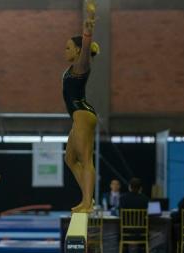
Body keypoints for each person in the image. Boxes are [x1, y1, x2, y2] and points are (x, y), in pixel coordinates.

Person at [63, 0, 100, 213]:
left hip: (83, 113)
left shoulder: (81, 65)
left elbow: (87, 45)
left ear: (78, 50)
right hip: (78, 115)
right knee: (69, 159)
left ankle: (87, 202)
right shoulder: (72, 68)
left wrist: (88, 25)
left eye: (68, 47)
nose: (65, 50)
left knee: (85, 159)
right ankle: (88, 198)